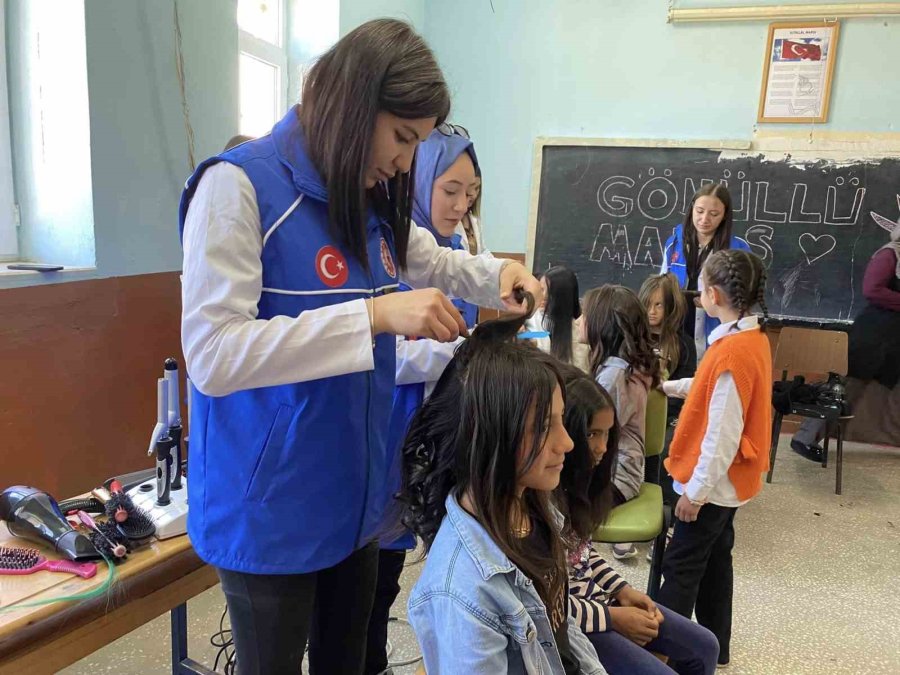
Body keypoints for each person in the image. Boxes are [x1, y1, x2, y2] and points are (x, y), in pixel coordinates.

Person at [178, 19, 542, 674]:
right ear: (354, 105)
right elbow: (214, 353)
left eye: (418, 142)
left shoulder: (365, 197)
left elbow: (427, 257)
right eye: (403, 137)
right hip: (271, 510)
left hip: (354, 501)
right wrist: (371, 315)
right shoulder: (238, 188)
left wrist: (497, 275)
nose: (406, 161)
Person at [400, 316, 606, 674]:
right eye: (544, 427)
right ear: (493, 437)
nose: (568, 443)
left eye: (561, 419)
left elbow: (559, 627)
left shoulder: (535, 507)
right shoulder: (464, 590)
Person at [364, 126, 481, 675]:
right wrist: (447, 351)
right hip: (389, 431)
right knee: (373, 577)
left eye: (471, 193)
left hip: (434, 435)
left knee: (413, 577)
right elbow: (375, 351)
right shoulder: (384, 252)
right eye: (450, 189)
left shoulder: (456, 253)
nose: (461, 205)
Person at [558, 374, 719, 675]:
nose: (603, 447)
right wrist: (613, 617)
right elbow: (547, 605)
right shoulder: (542, 499)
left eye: (607, 435)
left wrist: (623, 590)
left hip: (599, 605)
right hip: (572, 627)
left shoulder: (580, 486)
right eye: (592, 434)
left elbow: (582, 554)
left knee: (705, 645)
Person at [657, 250, 772, 669]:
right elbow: (710, 387)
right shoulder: (747, 338)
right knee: (716, 564)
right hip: (731, 486)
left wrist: (696, 494)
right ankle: (716, 647)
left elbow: (721, 434)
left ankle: (666, 657)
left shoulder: (731, 353)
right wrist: (667, 386)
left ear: (712, 293)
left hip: (711, 487)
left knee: (681, 567)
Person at [791, 224, 900, 461]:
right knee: (846, 387)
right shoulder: (890, 254)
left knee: (886, 395)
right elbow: (873, 289)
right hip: (875, 335)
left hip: (894, 340)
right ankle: (805, 439)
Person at [581, 285, 661, 559]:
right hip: (615, 472)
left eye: (585, 316)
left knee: (545, 511)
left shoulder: (615, 375)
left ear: (603, 326)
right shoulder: (619, 367)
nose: (579, 321)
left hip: (615, 478)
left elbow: (590, 436)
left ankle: (574, 576)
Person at [661, 184, 751, 362]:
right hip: (677, 326)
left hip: (716, 327)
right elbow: (661, 285)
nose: (704, 219)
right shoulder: (674, 244)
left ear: (725, 215)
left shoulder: (738, 250)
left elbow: (745, 296)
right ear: (692, 208)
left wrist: (713, 301)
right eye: (699, 211)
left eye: (714, 214)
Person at [638, 272, 696, 494]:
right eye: (647, 305)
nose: (651, 311)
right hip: (635, 412)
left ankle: (662, 501)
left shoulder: (684, 344)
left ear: (670, 308)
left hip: (668, 415)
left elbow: (685, 389)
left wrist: (661, 414)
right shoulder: (633, 338)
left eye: (659, 305)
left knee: (663, 453)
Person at [531, 266, 591, 372]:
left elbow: (582, 373)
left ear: (561, 297)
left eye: (549, 292)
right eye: (541, 289)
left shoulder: (580, 332)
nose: (542, 296)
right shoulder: (532, 318)